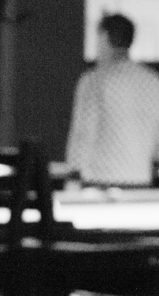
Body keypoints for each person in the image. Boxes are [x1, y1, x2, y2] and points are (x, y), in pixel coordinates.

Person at [66, 13, 159, 186]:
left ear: (104, 37)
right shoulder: (153, 82)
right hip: (141, 180)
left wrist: (73, 176)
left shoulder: (94, 81)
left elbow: (83, 134)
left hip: (100, 181)